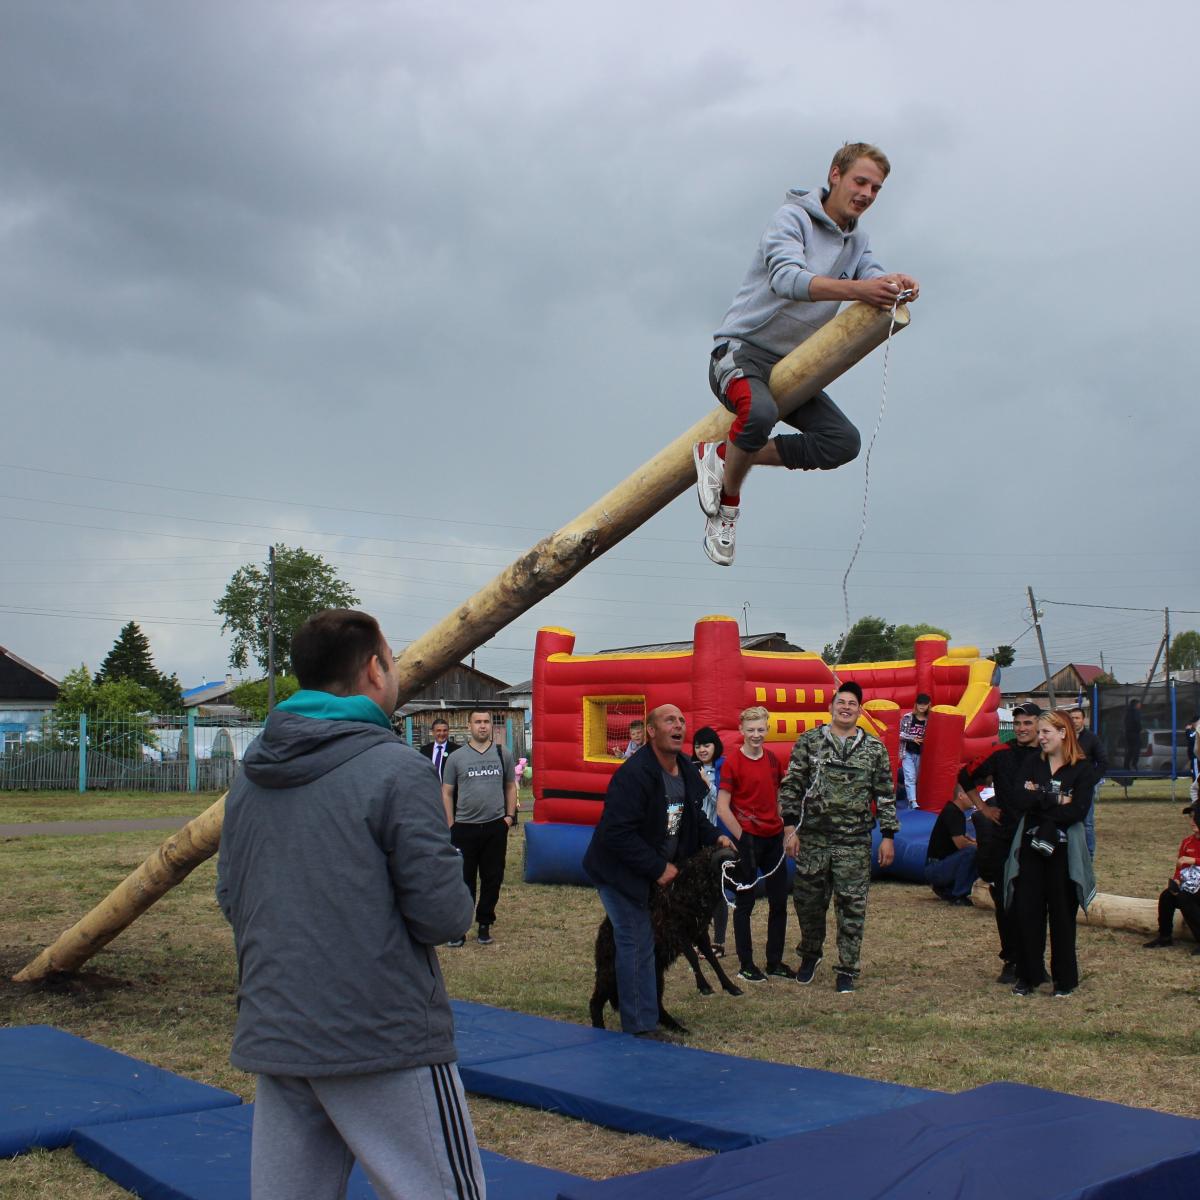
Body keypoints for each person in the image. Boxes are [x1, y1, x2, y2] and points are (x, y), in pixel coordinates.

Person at [216, 609, 483, 1200]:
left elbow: (231, 897)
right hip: (382, 1036)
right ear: (373, 670)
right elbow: (443, 915)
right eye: (392, 661)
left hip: (279, 1029)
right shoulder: (396, 769)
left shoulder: (251, 776)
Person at [694, 141, 920, 566]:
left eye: (876, 189)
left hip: (793, 367)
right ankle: (728, 506)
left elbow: (870, 274)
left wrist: (892, 284)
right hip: (741, 352)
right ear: (835, 174)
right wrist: (859, 290)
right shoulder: (792, 218)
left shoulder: (857, 241)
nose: (867, 194)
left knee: (842, 442)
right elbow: (786, 279)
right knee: (757, 414)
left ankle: (724, 453)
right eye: (860, 182)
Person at [582, 704, 733, 1037]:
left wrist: (716, 835)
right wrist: (657, 867)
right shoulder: (634, 774)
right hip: (618, 870)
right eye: (669, 720)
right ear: (651, 731)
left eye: (682, 720)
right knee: (635, 938)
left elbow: (693, 819)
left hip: (651, 870)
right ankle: (639, 1026)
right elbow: (616, 833)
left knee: (647, 941)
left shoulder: (685, 770)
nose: (679, 725)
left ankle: (643, 1009)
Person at [779, 682, 897, 994]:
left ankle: (847, 969)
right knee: (808, 904)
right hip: (813, 840)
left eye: (852, 704)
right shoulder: (811, 741)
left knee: (852, 907)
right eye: (841, 702)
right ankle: (810, 955)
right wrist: (790, 829)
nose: (846, 707)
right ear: (831, 707)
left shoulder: (874, 749)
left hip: (854, 842)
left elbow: (885, 794)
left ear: (859, 710)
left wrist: (888, 835)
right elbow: (792, 784)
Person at [1004, 711, 1095, 998]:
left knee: (1061, 915)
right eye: (1039, 732)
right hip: (1032, 847)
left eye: (1046, 732)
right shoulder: (1033, 763)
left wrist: (1039, 800)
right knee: (1027, 911)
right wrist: (1055, 798)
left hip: (1063, 852)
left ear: (1063, 733)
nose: (1040, 737)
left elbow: (1078, 809)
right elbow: (1019, 798)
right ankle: (1028, 976)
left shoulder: (1081, 768)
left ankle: (1064, 980)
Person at [958, 701, 1045, 984]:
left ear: (1038, 724)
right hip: (1006, 837)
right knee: (1006, 901)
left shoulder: (1049, 754)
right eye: (1017, 723)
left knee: (1036, 901)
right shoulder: (1002, 752)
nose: (1021, 729)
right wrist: (983, 809)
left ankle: (1035, 961)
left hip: (1038, 838)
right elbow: (964, 774)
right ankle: (1010, 959)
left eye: (1027, 723)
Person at [717, 707, 792, 982]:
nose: (756, 735)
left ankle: (774, 961)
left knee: (779, 901)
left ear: (767, 729)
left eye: (761, 729)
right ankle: (746, 964)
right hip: (748, 839)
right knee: (745, 903)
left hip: (774, 839)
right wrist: (742, 835)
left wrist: (784, 825)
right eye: (751, 730)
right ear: (741, 731)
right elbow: (722, 807)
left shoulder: (773, 759)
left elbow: (779, 794)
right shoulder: (732, 763)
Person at [441, 709, 518, 947]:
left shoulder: (501, 753)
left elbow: (510, 785)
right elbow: (446, 791)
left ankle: (484, 924)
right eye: (478, 722)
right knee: (463, 881)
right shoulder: (456, 757)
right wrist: (451, 824)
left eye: (486, 722)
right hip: (464, 828)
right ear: (469, 726)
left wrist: (508, 817)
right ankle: (460, 928)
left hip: (495, 827)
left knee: (492, 878)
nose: (482, 726)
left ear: (491, 726)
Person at [691, 726, 729, 955]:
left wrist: (707, 782)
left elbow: (723, 804)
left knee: (717, 890)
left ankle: (719, 941)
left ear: (715, 746)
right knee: (696, 890)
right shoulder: (687, 767)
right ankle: (698, 938)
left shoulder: (723, 767)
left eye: (706, 745)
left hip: (716, 835)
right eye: (698, 745)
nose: (702, 750)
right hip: (694, 837)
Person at [1142, 804, 1200, 953]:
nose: (1192, 822)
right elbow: (1179, 868)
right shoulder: (1187, 842)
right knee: (1167, 896)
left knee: (1185, 898)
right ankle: (1165, 937)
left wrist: (1194, 860)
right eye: (1190, 817)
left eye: (1196, 818)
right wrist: (1176, 882)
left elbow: (1189, 862)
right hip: (1190, 887)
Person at [924, 784, 978, 904]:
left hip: (940, 866)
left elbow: (963, 839)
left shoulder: (956, 812)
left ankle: (951, 890)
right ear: (961, 796)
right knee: (972, 852)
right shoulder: (953, 812)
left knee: (974, 851)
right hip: (936, 868)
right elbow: (961, 844)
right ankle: (959, 895)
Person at [1068, 706, 1107, 855]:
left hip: (1085, 787)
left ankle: (1089, 853)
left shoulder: (1091, 738)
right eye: (1072, 718)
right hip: (1067, 786)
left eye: (1077, 718)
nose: (1074, 721)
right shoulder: (1064, 737)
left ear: (1083, 720)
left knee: (1087, 822)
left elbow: (1103, 762)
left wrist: (1092, 780)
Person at [898, 693, 932, 809]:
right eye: (920, 704)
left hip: (921, 753)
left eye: (925, 704)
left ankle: (913, 799)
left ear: (928, 705)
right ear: (916, 705)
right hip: (907, 751)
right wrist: (913, 738)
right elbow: (899, 733)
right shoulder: (907, 717)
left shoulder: (929, 720)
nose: (922, 706)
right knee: (910, 776)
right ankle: (913, 802)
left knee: (917, 777)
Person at [419, 717, 459, 782]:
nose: (442, 733)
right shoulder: (424, 750)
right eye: (438, 730)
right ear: (433, 732)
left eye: (445, 730)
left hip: (450, 789)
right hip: (429, 789)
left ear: (448, 731)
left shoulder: (456, 750)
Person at [1123, 698, 1143, 773]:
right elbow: (1137, 721)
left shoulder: (1128, 712)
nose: (1140, 705)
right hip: (1134, 733)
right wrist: (1140, 729)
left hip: (1128, 734)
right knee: (1136, 749)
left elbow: (1125, 722)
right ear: (1136, 705)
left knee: (1130, 750)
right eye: (1139, 704)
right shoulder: (1136, 712)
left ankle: (1126, 765)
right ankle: (1134, 764)